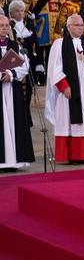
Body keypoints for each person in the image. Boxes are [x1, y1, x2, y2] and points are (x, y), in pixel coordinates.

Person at [44, 14, 84, 164]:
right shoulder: (59, 44)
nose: (81, 28)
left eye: (82, 25)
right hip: (69, 92)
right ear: (69, 26)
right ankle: (73, 155)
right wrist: (63, 86)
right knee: (70, 122)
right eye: (77, 25)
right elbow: (54, 69)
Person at [0, 14, 34, 171]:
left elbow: (24, 65)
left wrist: (11, 74)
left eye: (7, 25)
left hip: (12, 90)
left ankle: (14, 160)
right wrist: (1, 75)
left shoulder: (15, 45)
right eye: (1, 25)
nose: (5, 28)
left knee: (14, 123)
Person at [23, 0, 65, 84]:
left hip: (54, 29)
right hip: (39, 28)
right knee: (39, 56)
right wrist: (29, 17)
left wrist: (63, 24)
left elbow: (64, 8)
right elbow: (24, 10)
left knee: (53, 56)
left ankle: (52, 78)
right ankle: (40, 79)